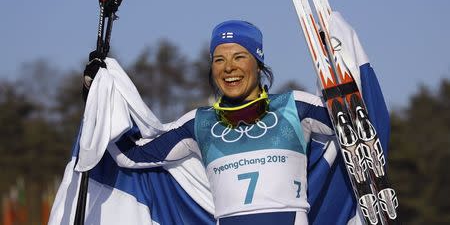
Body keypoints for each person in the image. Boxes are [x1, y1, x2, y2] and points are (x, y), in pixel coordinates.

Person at [85, 19, 338, 224]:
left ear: (258, 65)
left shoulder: (295, 107)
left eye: (239, 57)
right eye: (219, 60)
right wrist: (99, 95)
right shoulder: (200, 123)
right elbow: (132, 155)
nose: (228, 68)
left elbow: (349, 121)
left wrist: (339, 59)